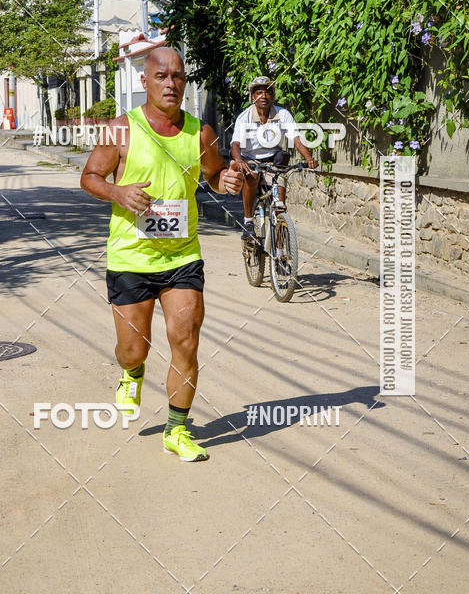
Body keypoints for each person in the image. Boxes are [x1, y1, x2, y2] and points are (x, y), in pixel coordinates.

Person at [80, 47, 243, 463]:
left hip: (182, 257)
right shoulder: (122, 130)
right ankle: (132, 373)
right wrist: (118, 191)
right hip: (131, 259)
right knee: (134, 349)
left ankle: (177, 429)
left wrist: (226, 179)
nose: (171, 84)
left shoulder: (200, 133)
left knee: (185, 341)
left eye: (178, 77)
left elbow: (214, 174)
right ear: (145, 81)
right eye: (162, 76)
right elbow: (89, 177)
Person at [230, 76, 317, 239]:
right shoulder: (244, 117)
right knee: (252, 174)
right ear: (252, 97)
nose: (264, 96)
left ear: (273, 95)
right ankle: (248, 220)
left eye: (268, 92)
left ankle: (280, 222)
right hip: (251, 158)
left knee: (283, 164)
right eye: (259, 92)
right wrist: (240, 160)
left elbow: (296, 139)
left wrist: (309, 158)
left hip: (273, 157)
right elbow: (235, 145)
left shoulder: (283, 114)